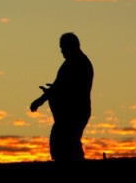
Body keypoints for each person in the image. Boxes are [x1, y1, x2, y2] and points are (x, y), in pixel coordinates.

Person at [30, 33, 94, 162]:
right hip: (66, 115)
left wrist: (47, 96)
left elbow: (73, 89)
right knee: (64, 146)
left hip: (73, 114)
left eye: (63, 48)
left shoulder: (79, 63)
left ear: (71, 46)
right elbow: (59, 86)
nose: (62, 52)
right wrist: (45, 96)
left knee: (67, 146)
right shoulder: (70, 64)